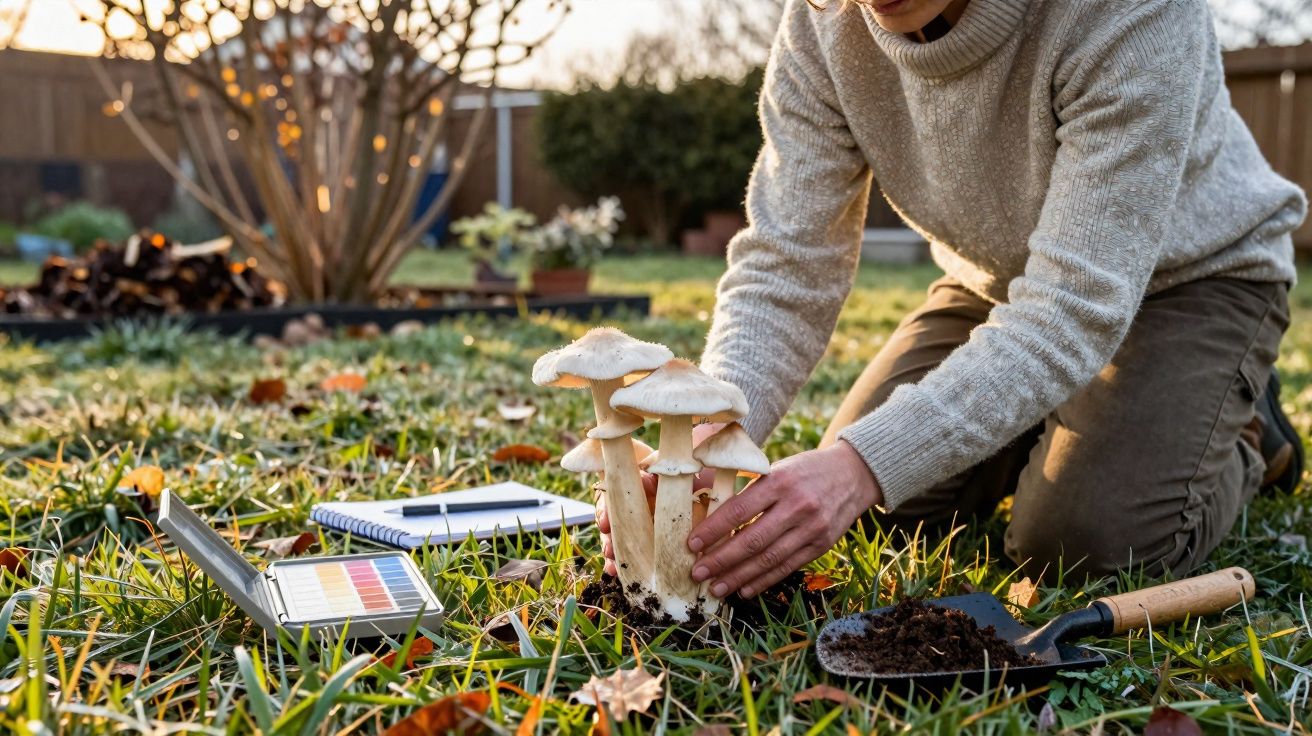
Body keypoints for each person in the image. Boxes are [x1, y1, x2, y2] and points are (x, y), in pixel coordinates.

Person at [598, 0, 1307, 600]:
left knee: (1080, 543)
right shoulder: (824, 22)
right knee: (879, 514)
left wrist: (863, 465)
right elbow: (789, 262)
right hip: (993, 283)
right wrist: (705, 431)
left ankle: (1245, 435)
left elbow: (1073, 306)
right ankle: (1057, 414)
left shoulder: (1132, 13)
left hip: (1191, 282)